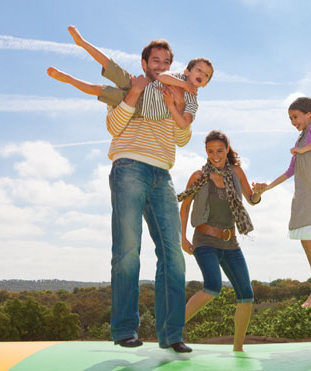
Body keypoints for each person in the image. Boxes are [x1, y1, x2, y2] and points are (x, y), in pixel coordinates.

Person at [102, 38, 194, 353]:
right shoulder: (130, 87)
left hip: (162, 175)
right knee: (128, 250)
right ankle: (125, 329)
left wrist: (175, 105)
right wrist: (134, 93)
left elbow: (183, 138)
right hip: (128, 165)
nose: (161, 66)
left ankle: (172, 335)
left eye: (166, 61)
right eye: (156, 60)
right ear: (145, 64)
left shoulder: (176, 93)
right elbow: (113, 126)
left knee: (173, 254)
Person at [253, 96, 311, 311]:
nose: (293, 121)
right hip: (305, 193)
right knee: (304, 235)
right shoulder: (301, 139)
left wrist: (304, 149)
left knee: (307, 235)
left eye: (295, 117)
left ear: (308, 114)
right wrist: (266, 187)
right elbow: (289, 171)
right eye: (290, 118)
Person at [178, 130, 262, 352]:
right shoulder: (198, 176)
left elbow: (252, 199)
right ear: (206, 152)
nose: (215, 155)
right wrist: (182, 237)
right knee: (212, 287)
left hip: (231, 242)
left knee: (246, 296)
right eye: (210, 151)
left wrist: (258, 193)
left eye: (219, 150)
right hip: (204, 240)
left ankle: (238, 348)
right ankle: (173, 330)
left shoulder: (236, 172)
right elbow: (185, 205)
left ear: (227, 150)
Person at [47, 26, 213, 129]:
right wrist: (184, 86)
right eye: (199, 70)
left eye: (206, 75)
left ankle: (68, 78)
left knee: (98, 89)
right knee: (110, 65)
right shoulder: (177, 76)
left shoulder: (193, 101)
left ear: (205, 84)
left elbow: (184, 124)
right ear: (187, 71)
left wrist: (173, 105)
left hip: (139, 108)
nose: (202, 75)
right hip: (140, 85)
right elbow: (162, 77)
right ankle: (82, 42)